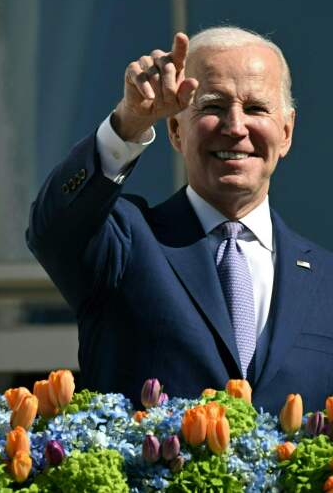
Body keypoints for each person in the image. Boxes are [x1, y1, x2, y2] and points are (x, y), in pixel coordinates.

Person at [26, 27, 333, 412]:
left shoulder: (327, 282)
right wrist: (129, 122)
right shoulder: (126, 242)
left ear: (286, 132)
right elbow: (52, 227)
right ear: (175, 129)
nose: (236, 127)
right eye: (213, 107)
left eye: (256, 108)